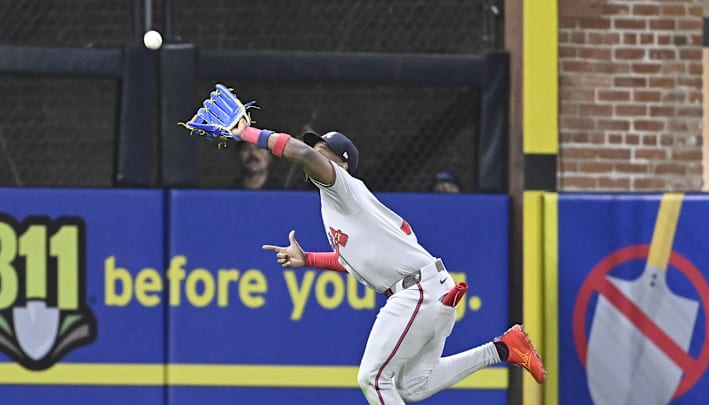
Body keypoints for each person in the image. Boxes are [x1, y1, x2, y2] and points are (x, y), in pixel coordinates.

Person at [227, 119, 546, 404]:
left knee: (372, 379)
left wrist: (249, 133)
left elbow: (303, 154)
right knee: (412, 387)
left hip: (417, 291)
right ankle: (504, 348)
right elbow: (352, 260)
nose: (315, 152)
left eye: (324, 149)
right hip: (428, 289)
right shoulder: (337, 206)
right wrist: (308, 259)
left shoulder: (342, 186)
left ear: (342, 163)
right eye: (315, 146)